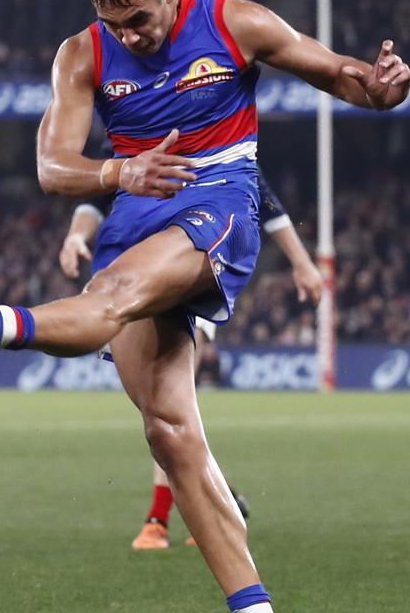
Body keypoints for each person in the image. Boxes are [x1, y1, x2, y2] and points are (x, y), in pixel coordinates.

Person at [0, 0, 410, 613]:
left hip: (218, 199)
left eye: (138, 19)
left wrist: (389, 86)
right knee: (170, 431)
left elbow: (351, 79)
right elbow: (51, 167)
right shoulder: (81, 55)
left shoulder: (233, 20)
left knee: (114, 296)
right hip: (135, 211)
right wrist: (117, 169)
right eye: (113, 23)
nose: (128, 35)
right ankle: (255, 608)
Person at [59, 155, 322, 550]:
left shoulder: (214, 123)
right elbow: (96, 190)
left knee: (166, 404)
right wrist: (77, 235)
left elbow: (262, 195)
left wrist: (302, 263)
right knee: (162, 407)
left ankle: (159, 520)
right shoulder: (132, 119)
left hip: (194, 271)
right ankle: (219, 499)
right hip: (135, 275)